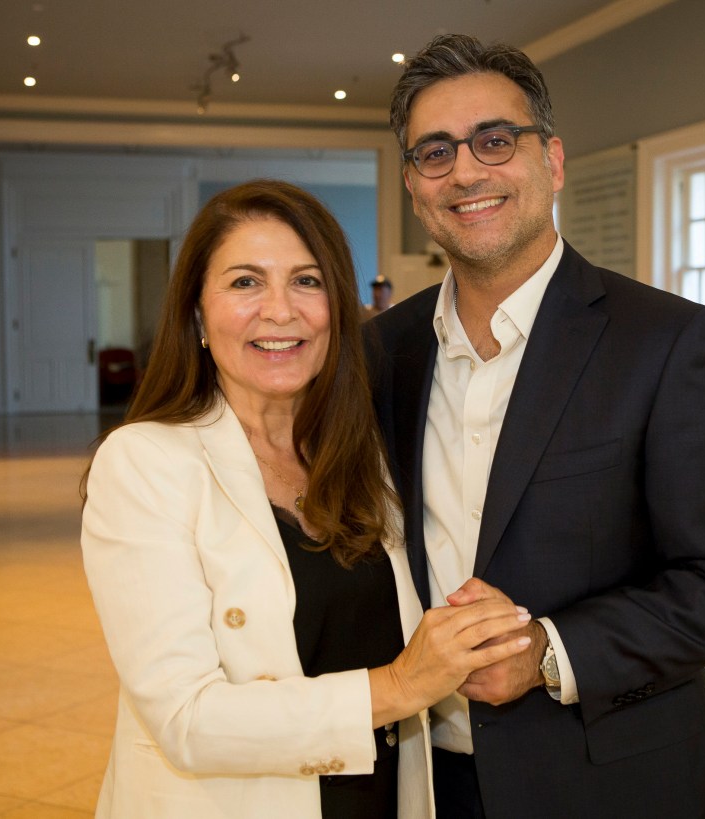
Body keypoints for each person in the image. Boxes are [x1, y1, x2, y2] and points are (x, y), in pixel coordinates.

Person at [365, 34, 705, 817]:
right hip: (421, 780)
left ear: (552, 161)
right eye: (435, 152)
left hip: (604, 780)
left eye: (496, 140)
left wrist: (549, 652)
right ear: (415, 187)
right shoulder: (381, 351)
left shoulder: (671, 342)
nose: (466, 171)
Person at [80, 179, 533, 819]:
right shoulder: (144, 463)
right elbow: (186, 719)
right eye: (245, 282)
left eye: (307, 281)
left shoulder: (359, 451)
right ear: (197, 316)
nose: (280, 310)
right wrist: (400, 686)